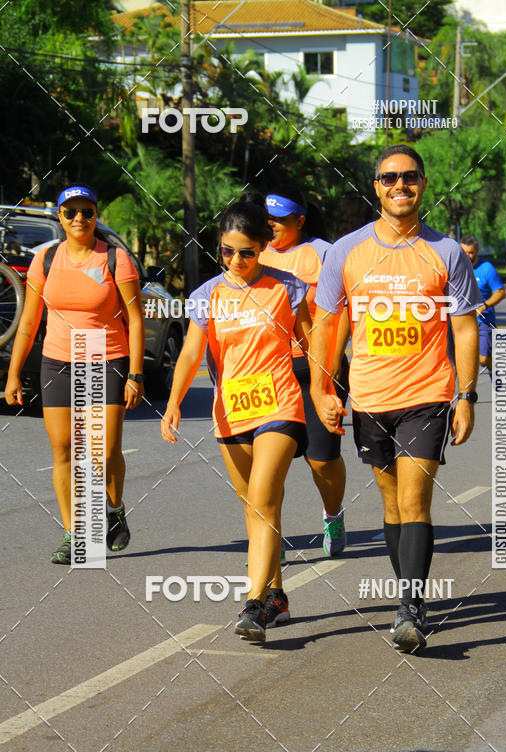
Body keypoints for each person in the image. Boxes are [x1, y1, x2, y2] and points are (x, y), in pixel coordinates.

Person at [309, 144, 480, 652]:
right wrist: (322, 387)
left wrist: (466, 395)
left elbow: (465, 328)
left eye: (409, 177)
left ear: (423, 184)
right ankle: (407, 597)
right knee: (390, 505)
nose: (399, 186)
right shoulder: (346, 251)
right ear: (376, 186)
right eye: (389, 178)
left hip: (427, 393)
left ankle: (411, 607)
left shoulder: (445, 251)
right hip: (368, 397)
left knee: (414, 501)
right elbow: (328, 325)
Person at [161, 200, 311, 642]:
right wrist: (173, 402)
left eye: (246, 252)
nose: (236, 261)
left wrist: (327, 393)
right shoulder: (207, 296)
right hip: (231, 413)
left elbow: (315, 341)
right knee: (255, 509)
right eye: (227, 251)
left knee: (263, 499)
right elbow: (191, 352)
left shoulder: (288, 288)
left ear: (263, 247)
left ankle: (252, 605)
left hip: (280, 407)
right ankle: (277, 595)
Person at [5, 185, 145, 564]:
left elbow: (134, 317)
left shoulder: (115, 259)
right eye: (71, 212)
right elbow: (30, 319)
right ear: (61, 218)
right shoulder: (46, 259)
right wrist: (13, 373)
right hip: (57, 360)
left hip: (106, 356)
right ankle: (75, 534)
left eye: (87, 211)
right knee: (63, 449)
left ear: (96, 215)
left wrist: (135, 373)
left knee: (103, 451)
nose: (79, 218)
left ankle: (114, 509)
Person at [259, 184, 351, 557]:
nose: (272, 226)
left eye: (280, 220)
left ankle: (333, 515)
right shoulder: (253, 253)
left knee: (322, 459)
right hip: (267, 369)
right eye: (267, 220)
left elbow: (341, 311)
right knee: (269, 460)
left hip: (317, 365)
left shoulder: (324, 254)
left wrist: (327, 371)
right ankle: (270, 534)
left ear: (300, 220)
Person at [459, 235, 506, 377]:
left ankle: (499, 374)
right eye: (464, 252)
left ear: (478, 250)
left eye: (471, 252)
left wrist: (485, 305)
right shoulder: (456, 267)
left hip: (484, 322)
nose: (467, 256)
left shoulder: (486, 268)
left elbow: (500, 292)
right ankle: (466, 396)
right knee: (460, 362)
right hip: (461, 322)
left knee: (484, 359)